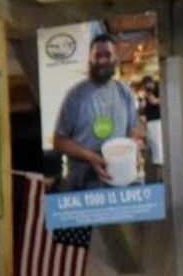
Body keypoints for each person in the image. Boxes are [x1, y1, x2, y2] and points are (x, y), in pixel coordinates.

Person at [51, 36, 140, 190]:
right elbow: (58, 141)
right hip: (83, 185)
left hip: (120, 182)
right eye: (97, 56)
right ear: (90, 59)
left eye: (107, 55)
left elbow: (133, 129)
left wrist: (134, 150)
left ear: (115, 58)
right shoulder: (75, 96)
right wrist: (92, 157)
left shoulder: (124, 92)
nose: (102, 60)